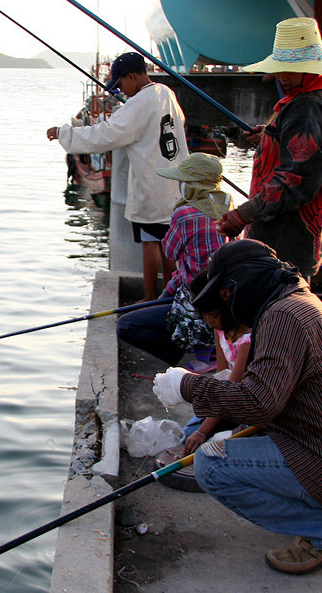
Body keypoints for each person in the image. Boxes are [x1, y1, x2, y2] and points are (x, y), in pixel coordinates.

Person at [152, 239, 322, 574]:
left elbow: (258, 404)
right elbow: (266, 400)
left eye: (226, 295)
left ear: (239, 288)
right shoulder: (297, 301)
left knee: (211, 465)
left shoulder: (281, 317)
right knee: (233, 441)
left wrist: (186, 385)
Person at [216, 17, 322, 278]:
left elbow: (295, 180)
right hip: (303, 236)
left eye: (289, 69)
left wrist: (243, 214)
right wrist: (270, 137)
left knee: (275, 306)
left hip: (286, 236)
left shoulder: (306, 108)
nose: (281, 77)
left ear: (310, 68)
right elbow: (310, 153)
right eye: (279, 68)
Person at [47, 52, 189, 300]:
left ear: (132, 77)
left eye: (121, 84)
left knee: (150, 241)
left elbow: (106, 135)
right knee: (169, 242)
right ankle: (170, 294)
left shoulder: (138, 103)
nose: (121, 91)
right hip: (175, 181)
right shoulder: (166, 92)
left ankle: (148, 297)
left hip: (151, 182)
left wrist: (64, 133)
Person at [115, 153, 227, 366]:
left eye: (183, 181)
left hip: (197, 299)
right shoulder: (228, 205)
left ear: (192, 185)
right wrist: (165, 295)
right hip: (220, 294)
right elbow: (182, 270)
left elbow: (170, 251)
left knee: (126, 325)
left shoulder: (185, 213)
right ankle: (203, 347)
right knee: (159, 303)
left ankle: (194, 353)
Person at [182, 268, 251, 456]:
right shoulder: (219, 330)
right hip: (226, 401)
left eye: (213, 315)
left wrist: (202, 431)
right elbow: (221, 377)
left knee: (205, 443)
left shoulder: (247, 339)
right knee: (186, 436)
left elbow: (232, 390)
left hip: (244, 405)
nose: (209, 321)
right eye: (205, 315)